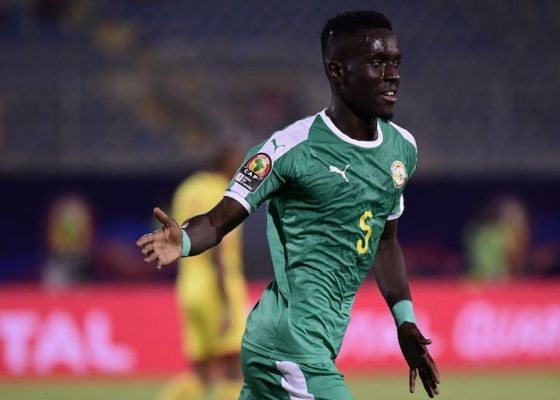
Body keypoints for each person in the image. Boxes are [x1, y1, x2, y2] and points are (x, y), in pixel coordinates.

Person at [138, 10, 440, 399]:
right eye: (377, 63)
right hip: (289, 349)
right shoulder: (290, 149)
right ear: (337, 71)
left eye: (395, 63)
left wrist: (405, 324)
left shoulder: (402, 150)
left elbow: (384, 242)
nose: (392, 74)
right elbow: (218, 220)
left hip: (305, 346)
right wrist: (182, 241)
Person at [157, 145, 247, 400]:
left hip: (189, 286)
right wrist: (227, 301)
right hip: (216, 288)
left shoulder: (186, 189)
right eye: (238, 160)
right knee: (233, 370)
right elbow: (216, 246)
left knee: (201, 375)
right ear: (226, 160)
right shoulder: (223, 191)